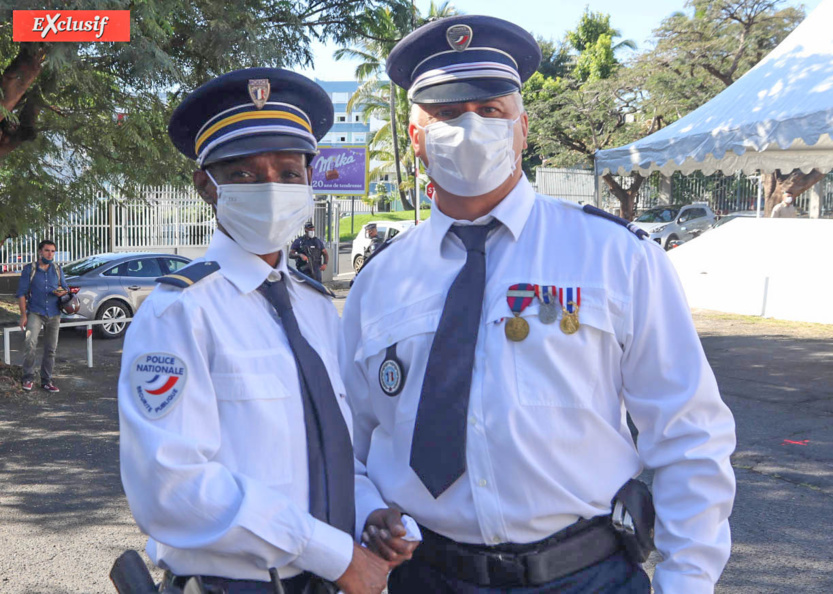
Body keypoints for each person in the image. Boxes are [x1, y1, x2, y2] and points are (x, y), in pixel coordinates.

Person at [340, 15, 736, 594]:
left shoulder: (614, 256)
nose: (470, 127)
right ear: (416, 135)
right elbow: (350, 443)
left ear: (522, 130)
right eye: (448, 114)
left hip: (586, 576)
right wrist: (367, 511)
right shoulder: (378, 282)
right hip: (429, 578)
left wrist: (687, 582)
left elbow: (689, 432)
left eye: (492, 111)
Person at [118, 68, 389, 594]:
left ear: (310, 179)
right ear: (206, 186)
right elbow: (171, 485)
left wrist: (370, 514)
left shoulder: (313, 306)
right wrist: (334, 554)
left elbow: (330, 448)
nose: (271, 187)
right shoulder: (180, 312)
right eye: (244, 174)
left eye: (289, 173)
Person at [15, 239, 68, 393]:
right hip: (35, 312)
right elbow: (21, 294)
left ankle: (46, 381)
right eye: (47, 250)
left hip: (54, 313)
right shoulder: (29, 269)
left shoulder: (57, 269)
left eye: (53, 251)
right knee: (30, 344)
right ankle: (28, 378)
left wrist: (60, 291)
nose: (50, 254)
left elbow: (64, 287)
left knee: (51, 348)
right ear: (40, 252)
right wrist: (23, 315)